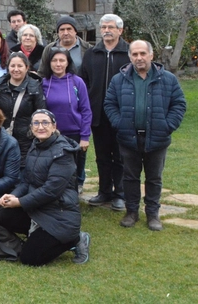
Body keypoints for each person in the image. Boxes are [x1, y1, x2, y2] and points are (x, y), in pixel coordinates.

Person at [104, 40, 186, 231]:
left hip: (157, 138)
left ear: (151, 55)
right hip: (128, 138)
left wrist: (168, 126)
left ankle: (153, 214)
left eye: (142, 53)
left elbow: (179, 104)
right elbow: (110, 104)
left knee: (154, 178)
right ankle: (131, 212)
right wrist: (119, 123)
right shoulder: (119, 80)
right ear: (130, 57)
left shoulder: (168, 79)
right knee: (130, 177)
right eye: (135, 54)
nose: (139, 58)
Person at [0, 109, 90, 265]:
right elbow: (27, 181)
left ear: (54, 126)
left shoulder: (63, 152)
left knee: (29, 259)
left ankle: (76, 239)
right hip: (38, 208)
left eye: (45, 123)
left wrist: (20, 202)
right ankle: (38, 234)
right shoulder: (35, 145)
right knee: (4, 216)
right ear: (31, 127)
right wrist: (13, 195)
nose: (40, 127)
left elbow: (50, 191)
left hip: (60, 214)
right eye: (36, 123)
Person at [80, 14, 129, 211]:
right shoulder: (92, 54)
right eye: (103, 27)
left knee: (120, 155)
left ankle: (120, 194)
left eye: (111, 27)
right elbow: (84, 81)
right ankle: (104, 191)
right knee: (102, 156)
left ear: (120, 30)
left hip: (121, 114)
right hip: (98, 113)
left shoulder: (128, 53)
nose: (106, 30)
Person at [40, 47, 92, 190]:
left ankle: (75, 190)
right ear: (49, 63)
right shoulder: (43, 83)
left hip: (74, 132)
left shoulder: (77, 82)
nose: (58, 64)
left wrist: (85, 136)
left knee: (74, 166)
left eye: (62, 60)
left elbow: (86, 110)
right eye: (54, 60)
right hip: (51, 133)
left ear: (68, 62)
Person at [0, 52, 46, 162]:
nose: (16, 69)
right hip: (3, 137)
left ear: (27, 67)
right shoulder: (0, 86)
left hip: (27, 140)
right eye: (13, 66)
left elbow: (41, 113)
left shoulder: (35, 87)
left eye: (20, 66)